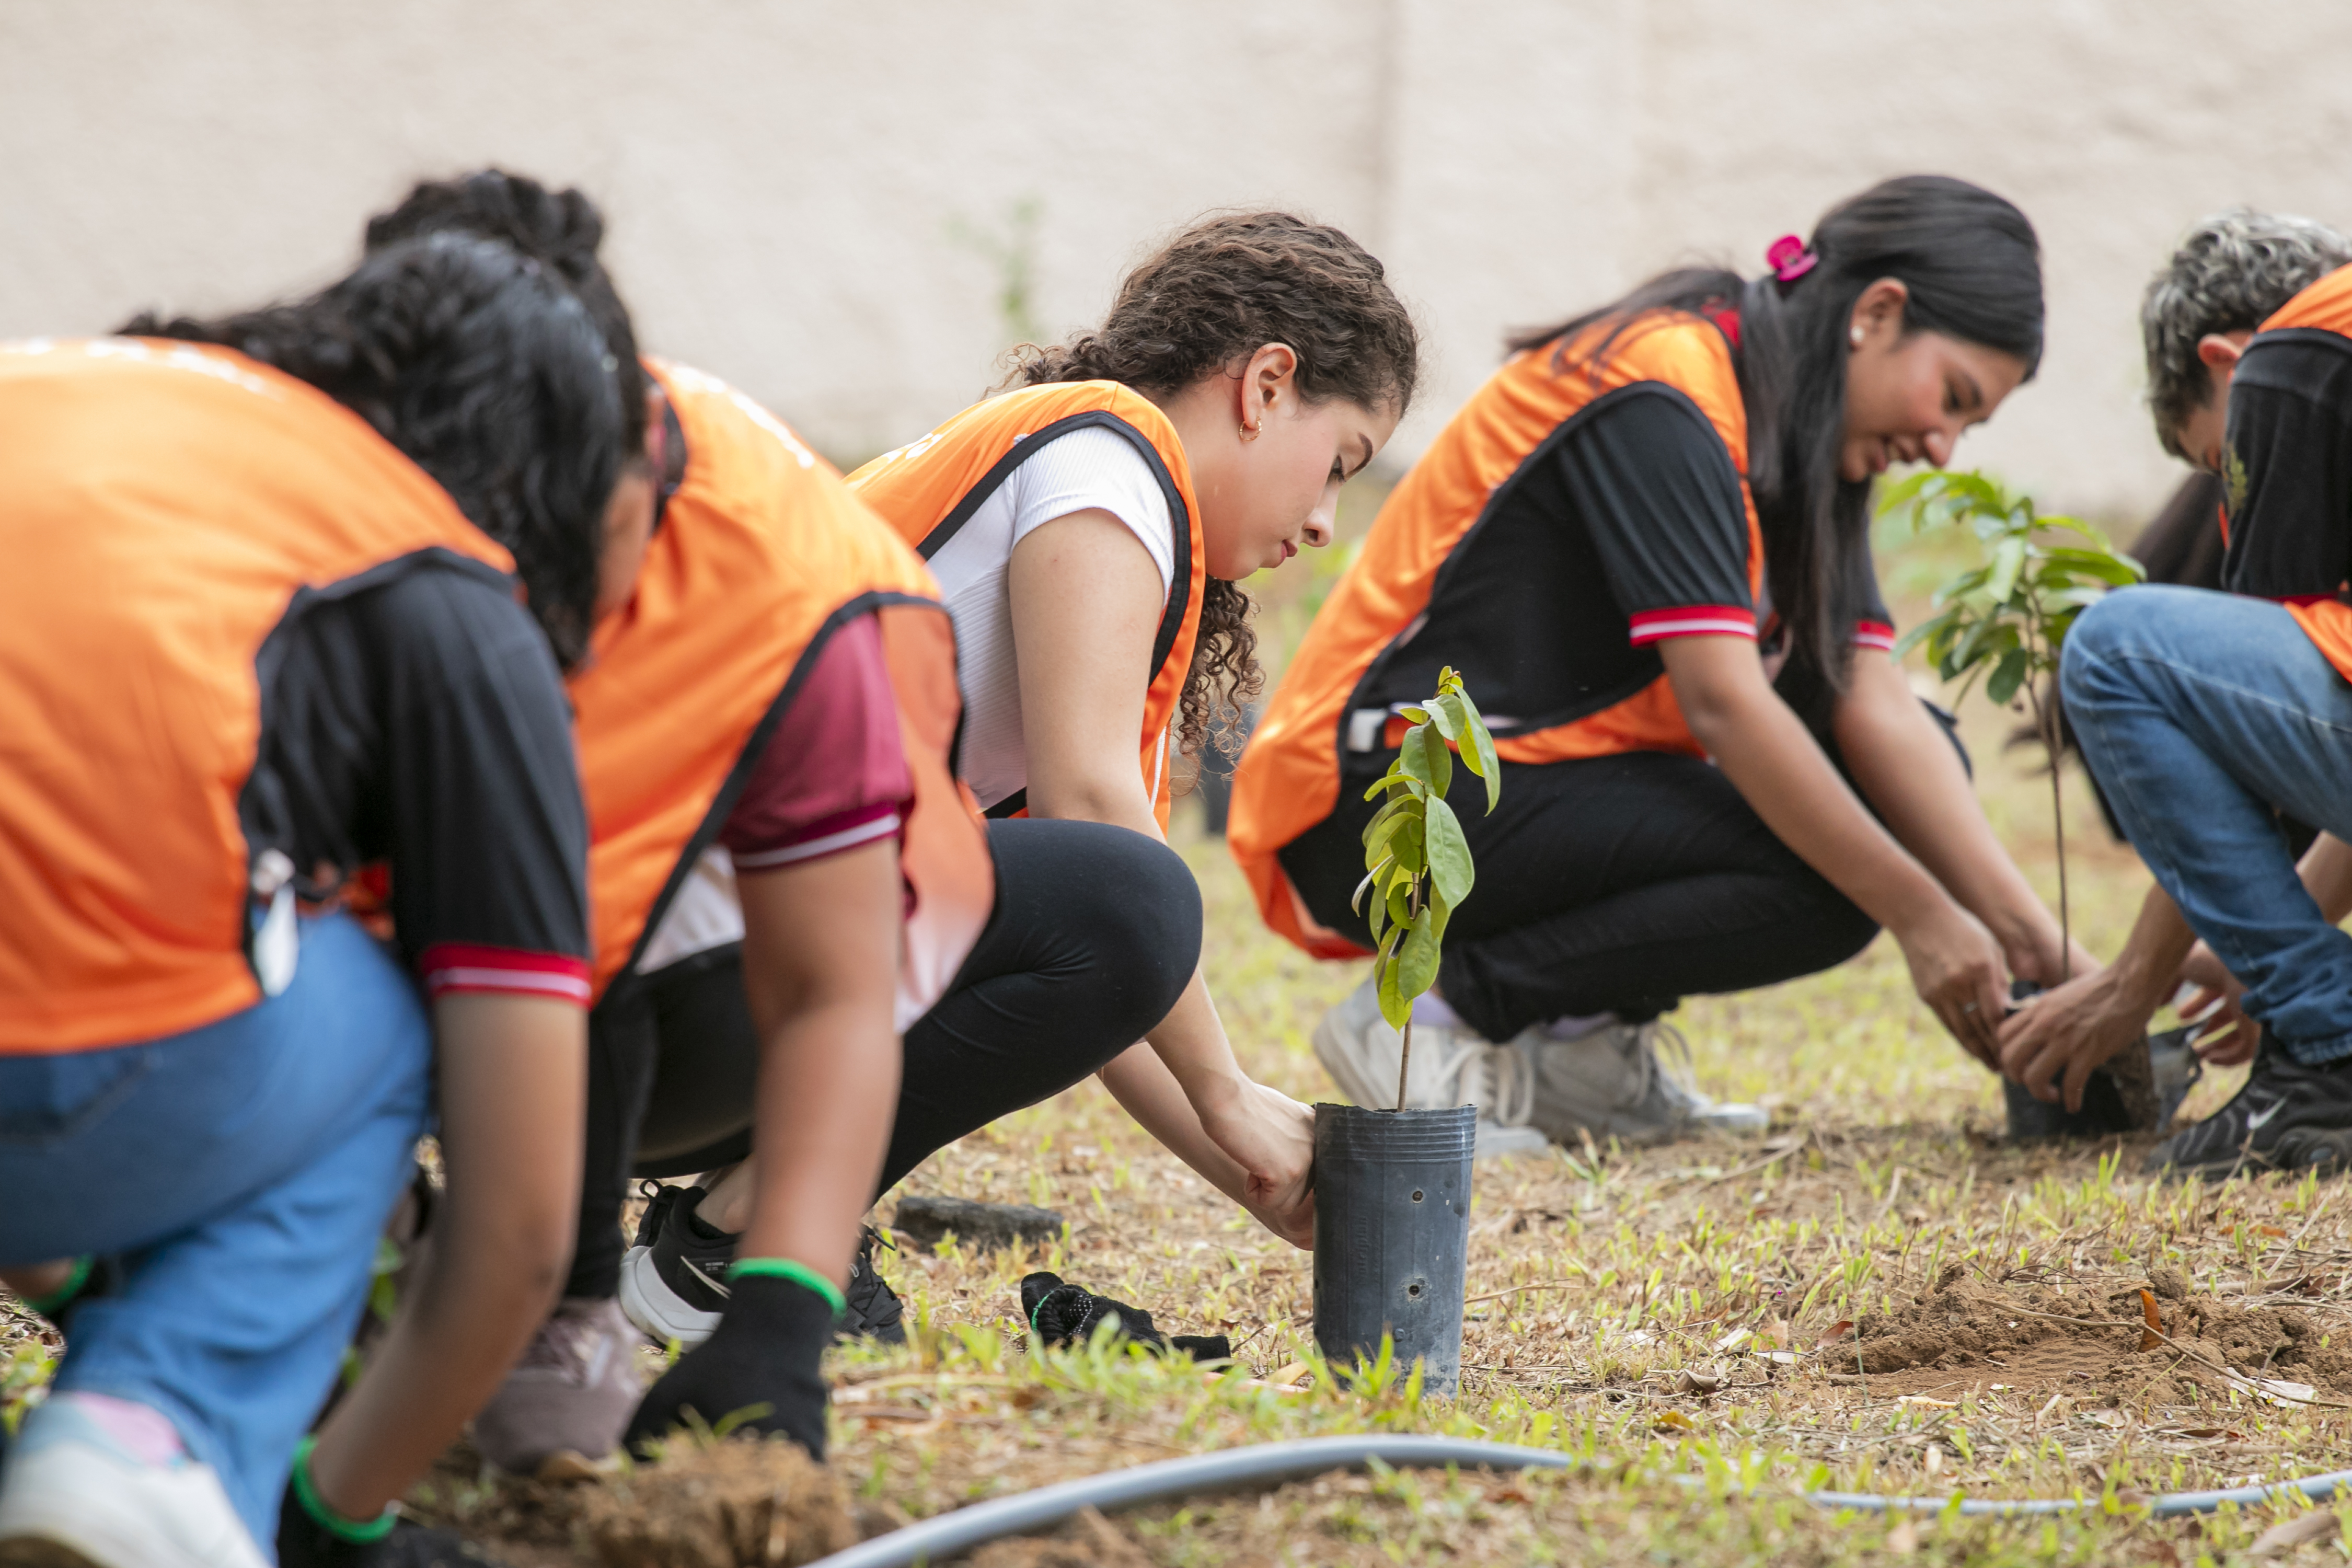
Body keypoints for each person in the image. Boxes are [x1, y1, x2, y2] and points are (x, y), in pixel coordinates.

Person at [350, 171, 995, 1481]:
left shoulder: (795, 572)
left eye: (574, 532)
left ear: (639, 447)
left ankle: (570, 1304)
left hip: (613, 979)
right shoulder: (301, 491)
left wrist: (779, 1321)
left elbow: (832, 986)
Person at [1230, 175, 2094, 1153]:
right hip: (1382, 798)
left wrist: (2046, 949)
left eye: (1970, 427)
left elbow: (1876, 706)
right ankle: (1431, 1026)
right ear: (1878, 313)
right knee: (1842, 867)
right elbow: (1725, 705)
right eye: (1955, 399)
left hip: (1534, 787)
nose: (1943, 446)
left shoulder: (1808, 435)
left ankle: (1580, 1059)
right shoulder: (1664, 387)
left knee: (1897, 793)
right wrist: (1925, 918)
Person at [0, 236, 629, 1567]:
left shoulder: (79, 391)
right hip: (66, 1075)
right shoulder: (436, 578)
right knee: (379, 1013)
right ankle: (155, 1432)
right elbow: (520, 1224)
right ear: (547, 487)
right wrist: (336, 1518)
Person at [709, 210, 1417, 1256]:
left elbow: (1102, 960)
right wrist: (1226, 1093)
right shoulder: (1107, 462)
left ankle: (736, 1229)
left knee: (1125, 898)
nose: (1325, 521)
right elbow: (1111, 871)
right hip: (679, 954)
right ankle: (741, 1236)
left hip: (716, 957)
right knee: (1134, 889)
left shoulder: (1096, 486)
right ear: (1267, 386)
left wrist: (1256, 1171)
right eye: (1342, 464)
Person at [1999, 210, 2352, 1178]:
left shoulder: (2300, 353)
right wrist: (2271, 949)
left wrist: (2131, 987)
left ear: (2226, 361)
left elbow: (2265, 748)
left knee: (2116, 648)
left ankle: (2330, 1052)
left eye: (2216, 468)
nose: (2228, 494)